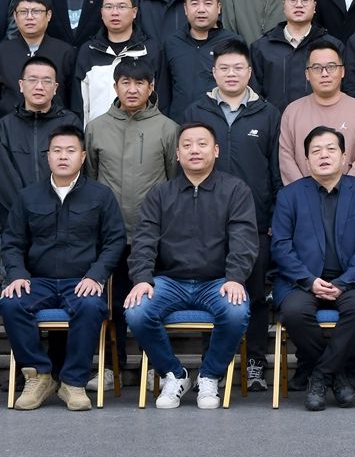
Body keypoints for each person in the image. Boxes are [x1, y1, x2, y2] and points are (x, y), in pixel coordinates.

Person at [125, 122, 259, 410]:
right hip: (170, 281)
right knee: (136, 311)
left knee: (236, 311)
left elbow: (244, 239)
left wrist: (235, 277)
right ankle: (174, 374)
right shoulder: (161, 194)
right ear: (177, 154)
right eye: (186, 145)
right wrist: (142, 278)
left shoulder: (235, 190)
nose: (194, 150)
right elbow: (144, 239)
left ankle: (210, 375)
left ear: (216, 150)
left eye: (202, 144)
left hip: (217, 281)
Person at [0, 125, 126, 411]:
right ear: (48, 157)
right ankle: (39, 376)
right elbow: (12, 241)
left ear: (83, 156)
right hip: (39, 281)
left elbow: (115, 241)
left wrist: (96, 275)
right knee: (10, 303)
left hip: (80, 280)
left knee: (91, 306)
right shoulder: (29, 196)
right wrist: (17, 274)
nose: (63, 156)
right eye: (57, 151)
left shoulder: (100, 196)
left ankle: (73, 382)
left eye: (70, 151)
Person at [181, 38, 282, 393]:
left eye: (238, 68)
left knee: (253, 294)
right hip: (205, 221)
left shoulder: (268, 113)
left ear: (249, 72)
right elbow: (184, 167)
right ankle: (213, 366)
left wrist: (274, 218)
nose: (231, 74)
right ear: (214, 72)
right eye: (224, 68)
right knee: (212, 292)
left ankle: (255, 363)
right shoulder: (196, 110)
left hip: (255, 221)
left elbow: (276, 171)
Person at [272, 127, 355, 411]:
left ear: (344, 157)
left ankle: (321, 375)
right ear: (306, 160)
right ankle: (340, 375)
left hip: (352, 280)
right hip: (302, 281)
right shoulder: (289, 195)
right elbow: (281, 247)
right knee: (294, 312)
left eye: (331, 149)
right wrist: (308, 280)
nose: (324, 155)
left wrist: (344, 282)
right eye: (316, 151)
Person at [85, 56, 178, 383]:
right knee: (113, 304)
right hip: (111, 234)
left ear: (151, 87)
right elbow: (91, 179)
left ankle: (155, 367)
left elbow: (174, 181)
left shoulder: (168, 128)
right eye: (126, 82)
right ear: (116, 87)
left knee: (150, 302)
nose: (132, 89)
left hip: (154, 235)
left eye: (140, 83)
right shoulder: (96, 128)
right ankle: (112, 366)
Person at [0, 55, 83, 231]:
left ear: (55, 88)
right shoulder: (6, 126)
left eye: (47, 81)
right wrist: (25, 210)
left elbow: (76, 172)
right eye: (32, 80)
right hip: (17, 221)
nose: (39, 87)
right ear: (21, 85)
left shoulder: (70, 123)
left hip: (62, 219)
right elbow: (2, 177)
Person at [278, 40, 355, 184]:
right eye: (317, 68)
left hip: (350, 195)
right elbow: (286, 160)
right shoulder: (292, 112)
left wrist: (345, 193)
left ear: (342, 71)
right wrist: (303, 193)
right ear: (307, 74)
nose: (324, 74)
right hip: (302, 195)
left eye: (331, 67)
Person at [72, 0, 163, 123]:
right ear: (101, 13)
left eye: (121, 7)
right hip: (98, 134)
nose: (115, 12)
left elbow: (161, 99)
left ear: (134, 12)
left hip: (143, 133)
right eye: (108, 7)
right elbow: (80, 106)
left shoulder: (149, 50)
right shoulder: (88, 51)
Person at [251, 0, 343, 108]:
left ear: (314, 6)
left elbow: (343, 89)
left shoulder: (332, 46)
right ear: (284, 5)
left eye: (305, 0)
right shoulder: (261, 47)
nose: (299, 5)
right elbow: (254, 93)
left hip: (321, 118)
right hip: (275, 119)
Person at [0, 0, 77, 117]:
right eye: (23, 12)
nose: (29, 17)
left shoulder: (65, 52)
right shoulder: (0, 53)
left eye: (36, 11)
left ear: (48, 15)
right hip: (12, 125)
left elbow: (72, 97)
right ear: (15, 16)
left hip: (56, 125)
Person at [161, 0, 243, 115]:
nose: (201, 10)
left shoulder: (233, 43)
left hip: (221, 123)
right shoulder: (172, 43)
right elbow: (163, 92)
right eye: (194, 4)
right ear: (185, 9)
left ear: (218, 8)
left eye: (208, 3)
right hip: (179, 124)